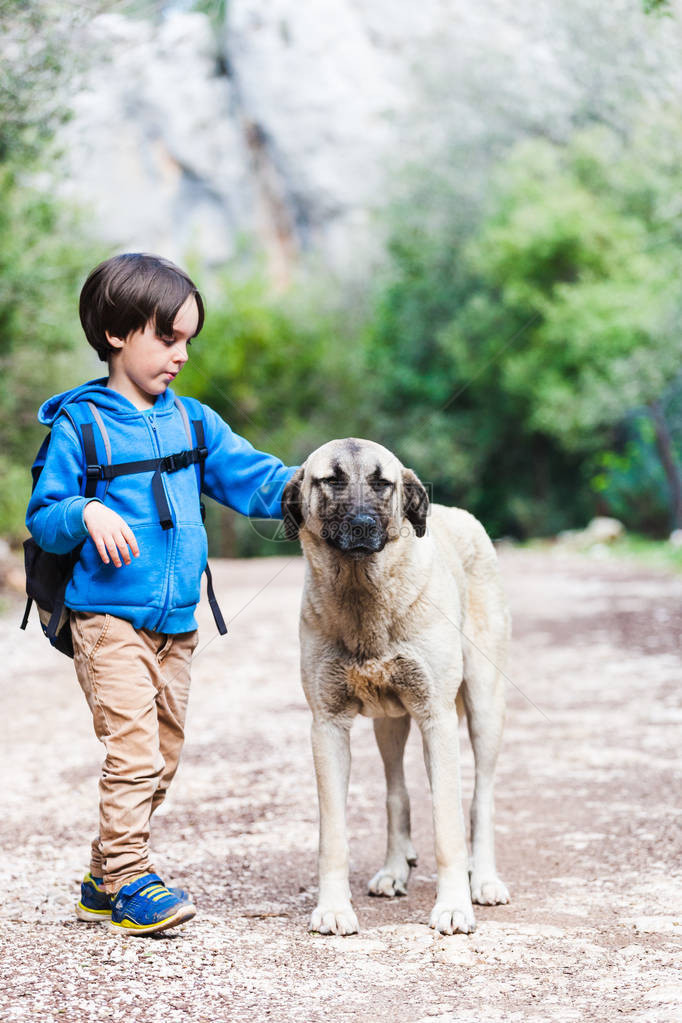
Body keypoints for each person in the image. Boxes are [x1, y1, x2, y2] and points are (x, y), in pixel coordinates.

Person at [26, 253, 297, 936]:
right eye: (168, 337)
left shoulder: (194, 422)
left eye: (188, 342)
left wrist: (318, 478)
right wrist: (85, 512)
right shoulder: (81, 425)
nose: (181, 355)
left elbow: (256, 479)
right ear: (118, 332)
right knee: (135, 752)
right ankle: (132, 878)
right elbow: (44, 516)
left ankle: (101, 877)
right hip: (107, 619)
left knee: (162, 758)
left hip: (177, 624)